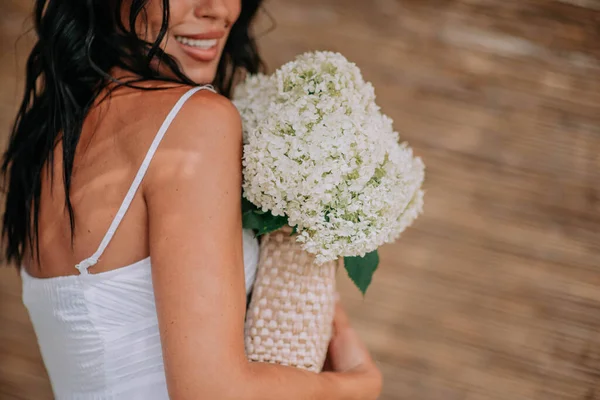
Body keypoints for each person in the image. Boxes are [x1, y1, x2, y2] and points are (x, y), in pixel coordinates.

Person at [2, 0, 382, 399]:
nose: (218, 9)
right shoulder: (193, 121)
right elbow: (214, 392)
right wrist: (357, 385)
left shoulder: (54, 138)